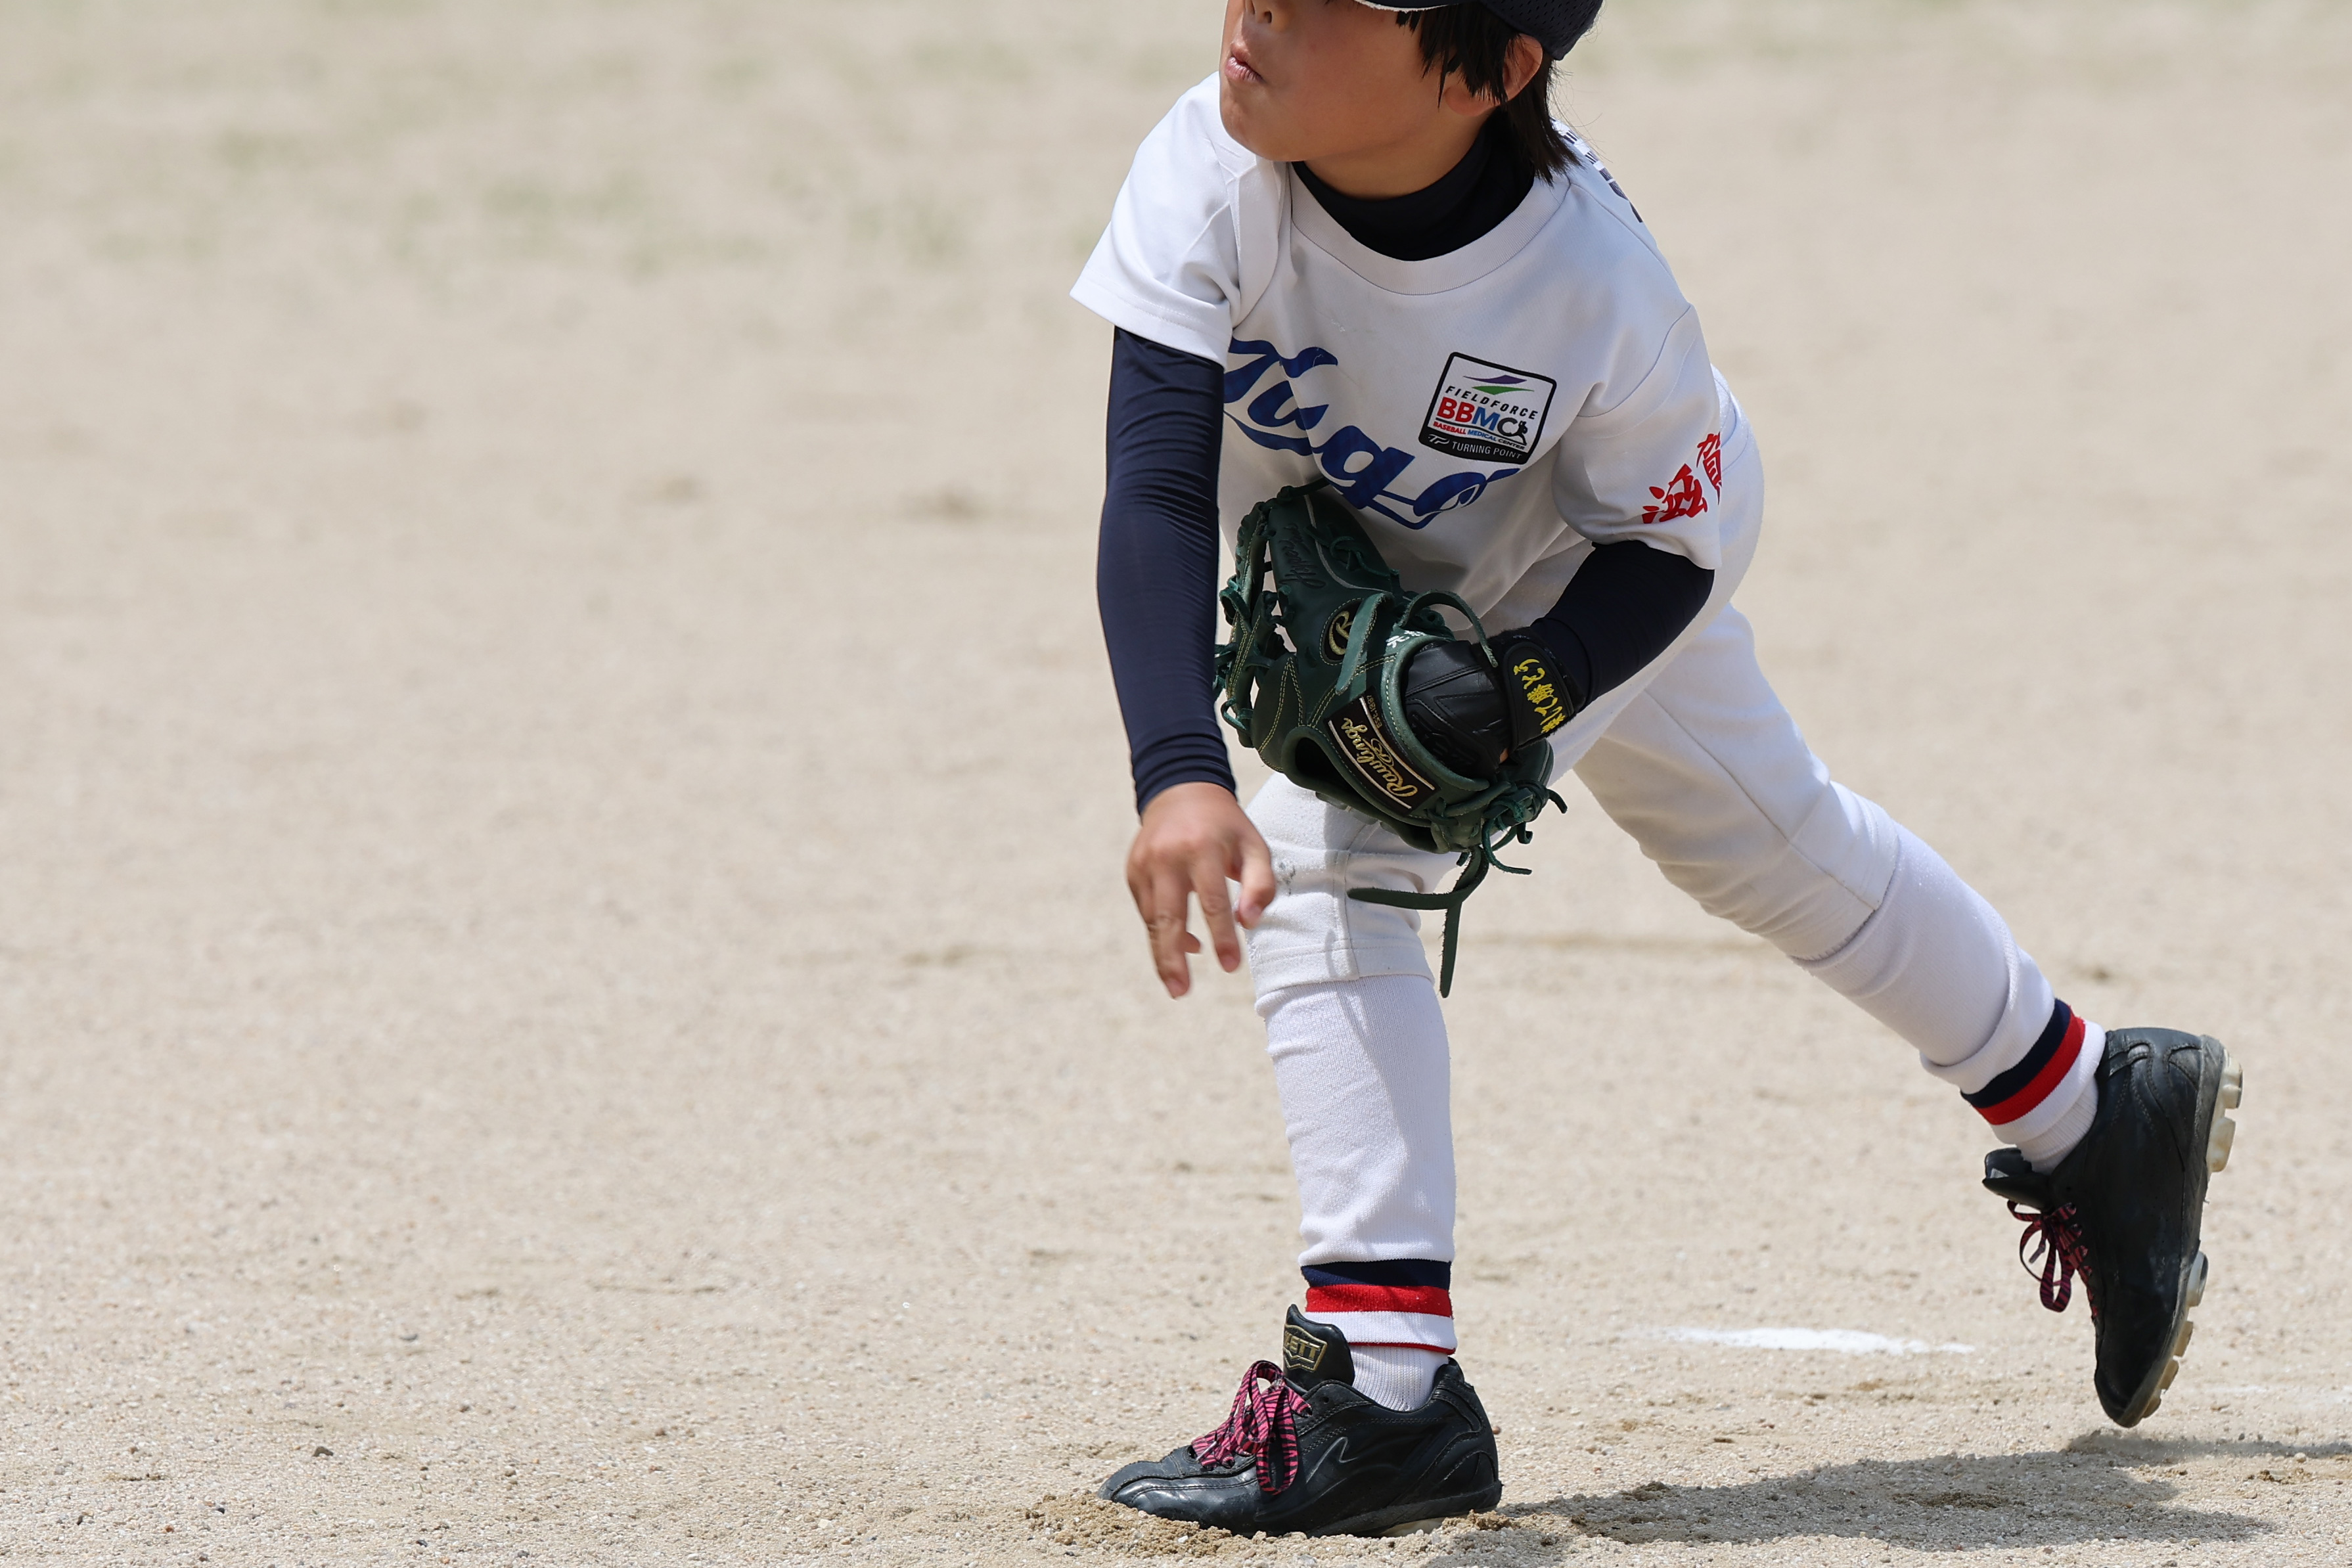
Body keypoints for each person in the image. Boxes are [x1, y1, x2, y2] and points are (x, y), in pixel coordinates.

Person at [1072, 0, 2240, 1538]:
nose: (1260, 8)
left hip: (1609, 558)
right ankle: (2092, 1108)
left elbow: (1673, 544)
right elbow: (1153, 484)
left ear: (1489, 69)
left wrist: (1521, 692)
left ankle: (1383, 1386)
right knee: (1767, 842)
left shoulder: (1587, 289)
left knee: (1338, 860)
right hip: (1422, 572)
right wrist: (1176, 771)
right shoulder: (1207, 166)